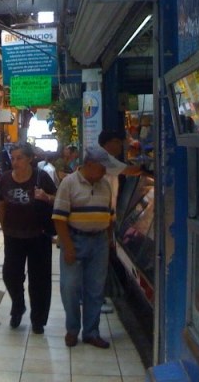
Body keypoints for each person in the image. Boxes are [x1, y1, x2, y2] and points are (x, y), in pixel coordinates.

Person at [52, 146, 117, 349]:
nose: (105, 172)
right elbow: (59, 218)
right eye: (102, 167)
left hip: (99, 242)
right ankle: (73, 329)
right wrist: (68, 247)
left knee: (95, 290)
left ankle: (91, 332)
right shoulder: (69, 183)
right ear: (89, 165)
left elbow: (110, 216)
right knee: (69, 287)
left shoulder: (105, 185)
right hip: (75, 239)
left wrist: (107, 240)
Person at [0, 142, 57, 334]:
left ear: (30, 158)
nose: (15, 162)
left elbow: (60, 200)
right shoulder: (3, 180)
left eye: (19, 158)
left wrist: (46, 197)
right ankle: (18, 304)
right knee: (10, 274)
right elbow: (2, 205)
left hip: (39, 236)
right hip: (14, 235)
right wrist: (4, 228)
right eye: (12, 158)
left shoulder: (42, 177)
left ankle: (38, 320)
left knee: (40, 280)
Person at [97, 130, 144, 314]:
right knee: (99, 259)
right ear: (110, 142)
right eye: (119, 142)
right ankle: (96, 298)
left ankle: (95, 297)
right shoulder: (105, 159)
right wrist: (146, 163)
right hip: (101, 214)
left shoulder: (104, 157)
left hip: (104, 213)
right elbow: (132, 171)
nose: (121, 146)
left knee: (101, 258)